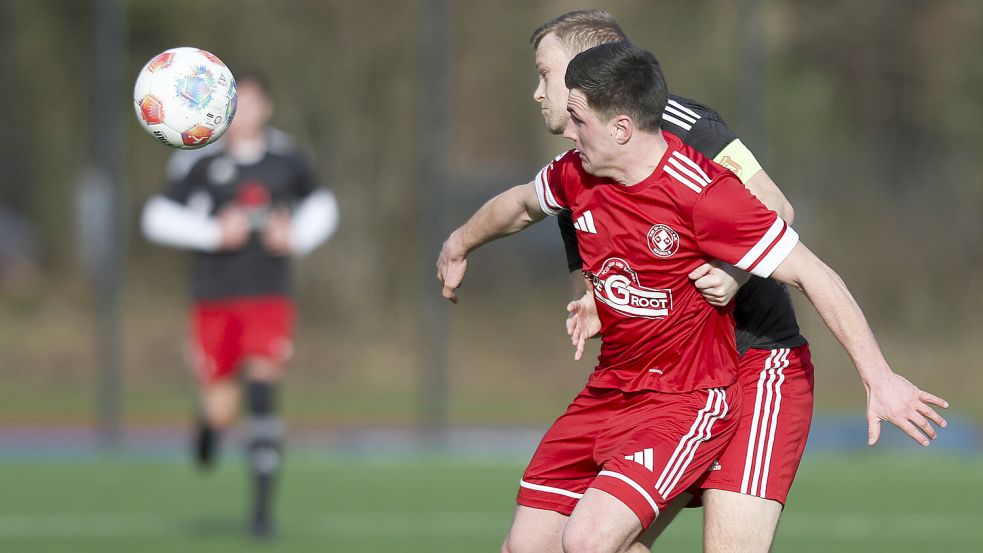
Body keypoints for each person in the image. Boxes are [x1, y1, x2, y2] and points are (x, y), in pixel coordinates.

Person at [437, 41, 947, 553]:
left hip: (707, 388)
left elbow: (814, 272)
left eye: (576, 115)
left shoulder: (702, 191)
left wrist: (878, 377)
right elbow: (524, 204)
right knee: (528, 546)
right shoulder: (578, 171)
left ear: (620, 126)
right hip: (615, 389)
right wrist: (459, 243)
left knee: (590, 541)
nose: (566, 129)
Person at [531, 10, 803, 551]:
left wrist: (733, 272)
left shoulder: (683, 123)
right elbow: (606, 269)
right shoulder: (581, 162)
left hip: (752, 360)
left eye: (546, 72)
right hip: (671, 384)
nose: (537, 91)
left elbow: (776, 205)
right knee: (587, 542)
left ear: (595, 64)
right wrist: (594, 300)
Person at [140, 72, 339, 538]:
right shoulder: (200, 159)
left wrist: (296, 236)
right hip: (213, 299)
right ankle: (208, 429)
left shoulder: (286, 158)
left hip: (269, 296)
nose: (242, 113)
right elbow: (156, 217)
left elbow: (323, 205)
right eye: (235, 104)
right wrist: (213, 232)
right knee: (221, 411)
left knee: (264, 391)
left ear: (266, 108)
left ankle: (261, 514)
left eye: (251, 103)